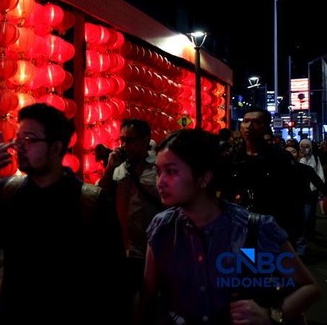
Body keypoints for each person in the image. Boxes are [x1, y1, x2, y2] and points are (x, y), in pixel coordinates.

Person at [0, 102, 128, 324]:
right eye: (18, 140)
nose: (19, 147)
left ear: (56, 148)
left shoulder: (90, 202)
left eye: (29, 139)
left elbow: (114, 280)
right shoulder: (9, 193)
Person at [139, 128, 321, 325]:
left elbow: (308, 287)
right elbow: (148, 295)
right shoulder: (162, 226)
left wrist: (272, 315)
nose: (161, 182)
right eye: (158, 172)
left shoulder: (254, 228)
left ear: (204, 178)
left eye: (171, 172)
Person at [97, 118, 163, 306]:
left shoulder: (158, 168)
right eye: (122, 140)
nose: (124, 145)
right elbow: (99, 195)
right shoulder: (119, 168)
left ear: (145, 140)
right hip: (126, 249)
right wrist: (109, 168)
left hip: (154, 247)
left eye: (130, 140)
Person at [221, 107, 304, 247]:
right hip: (239, 229)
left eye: (255, 122)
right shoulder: (231, 158)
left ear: (265, 126)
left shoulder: (280, 158)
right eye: (245, 121)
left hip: (271, 229)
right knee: (246, 264)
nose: (248, 126)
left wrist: (290, 235)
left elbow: (294, 198)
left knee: (269, 265)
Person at [298, 139, 327, 253]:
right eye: (302, 146)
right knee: (304, 216)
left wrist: (321, 189)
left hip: (312, 192)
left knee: (310, 214)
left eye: (307, 146)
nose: (304, 149)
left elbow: (319, 173)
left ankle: (309, 234)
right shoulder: (298, 159)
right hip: (301, 193)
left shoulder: (315, 158)